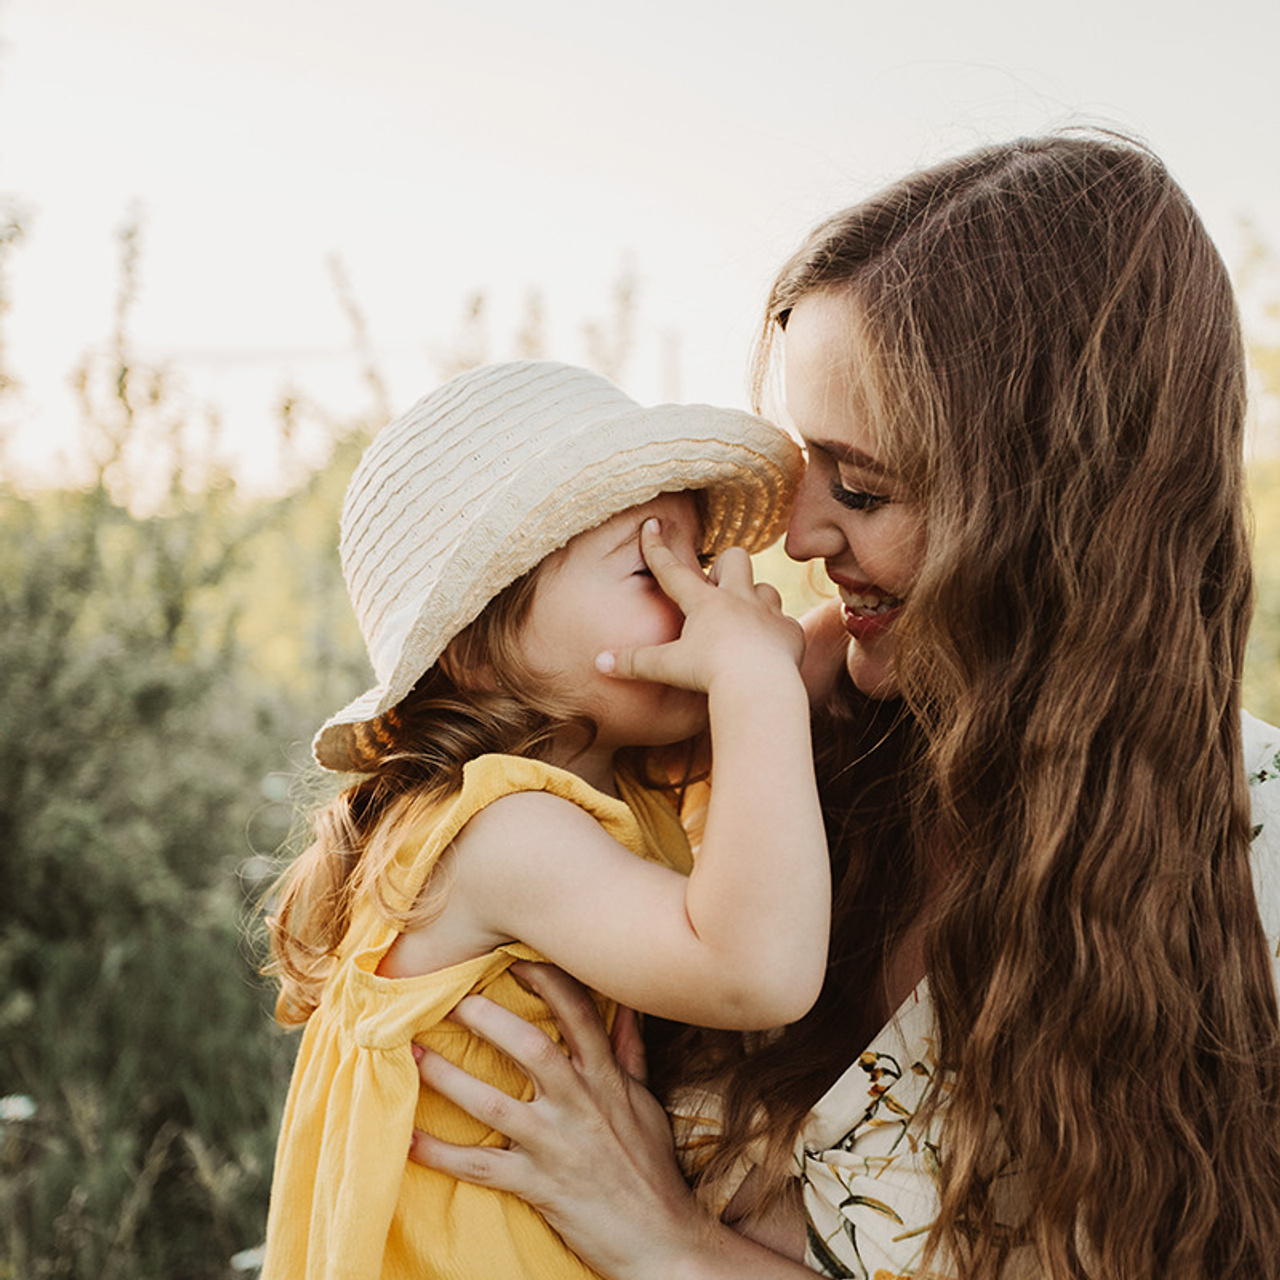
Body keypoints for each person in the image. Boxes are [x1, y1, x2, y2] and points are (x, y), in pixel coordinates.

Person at [406, 134, 1280, 1279]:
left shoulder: (1250, 870)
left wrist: (671, 1246)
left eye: (859, 487)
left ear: (1049, 510)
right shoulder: (791, 737)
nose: (796, 529)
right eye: (804, 464)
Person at [258, 360, 829, 1279]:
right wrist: (755, 677)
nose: (708, 597)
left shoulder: (622, 782)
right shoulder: (503, 833)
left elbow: (806, 712)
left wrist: (786, 651)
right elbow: (758, 971)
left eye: (700, 560)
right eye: (650, 567)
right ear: (479, 650)